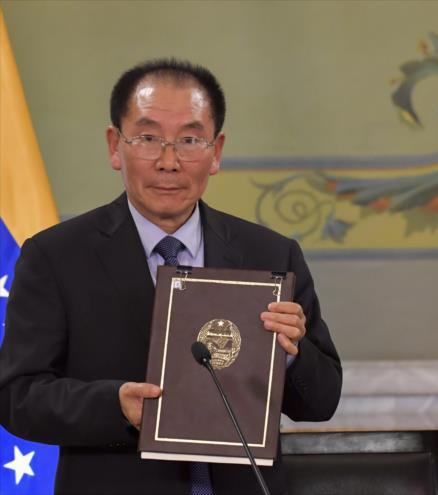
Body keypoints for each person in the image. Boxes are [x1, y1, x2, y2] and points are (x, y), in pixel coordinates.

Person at [0, 59, 342, 494]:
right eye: (147, 138)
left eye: (190, 140)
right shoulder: (56, 256)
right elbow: (17, 397)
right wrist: (115, 405)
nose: (169, 161)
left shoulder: (270, 254)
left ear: (216, 152)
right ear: (113, 145)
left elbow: (322, 401)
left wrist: (291, 354)